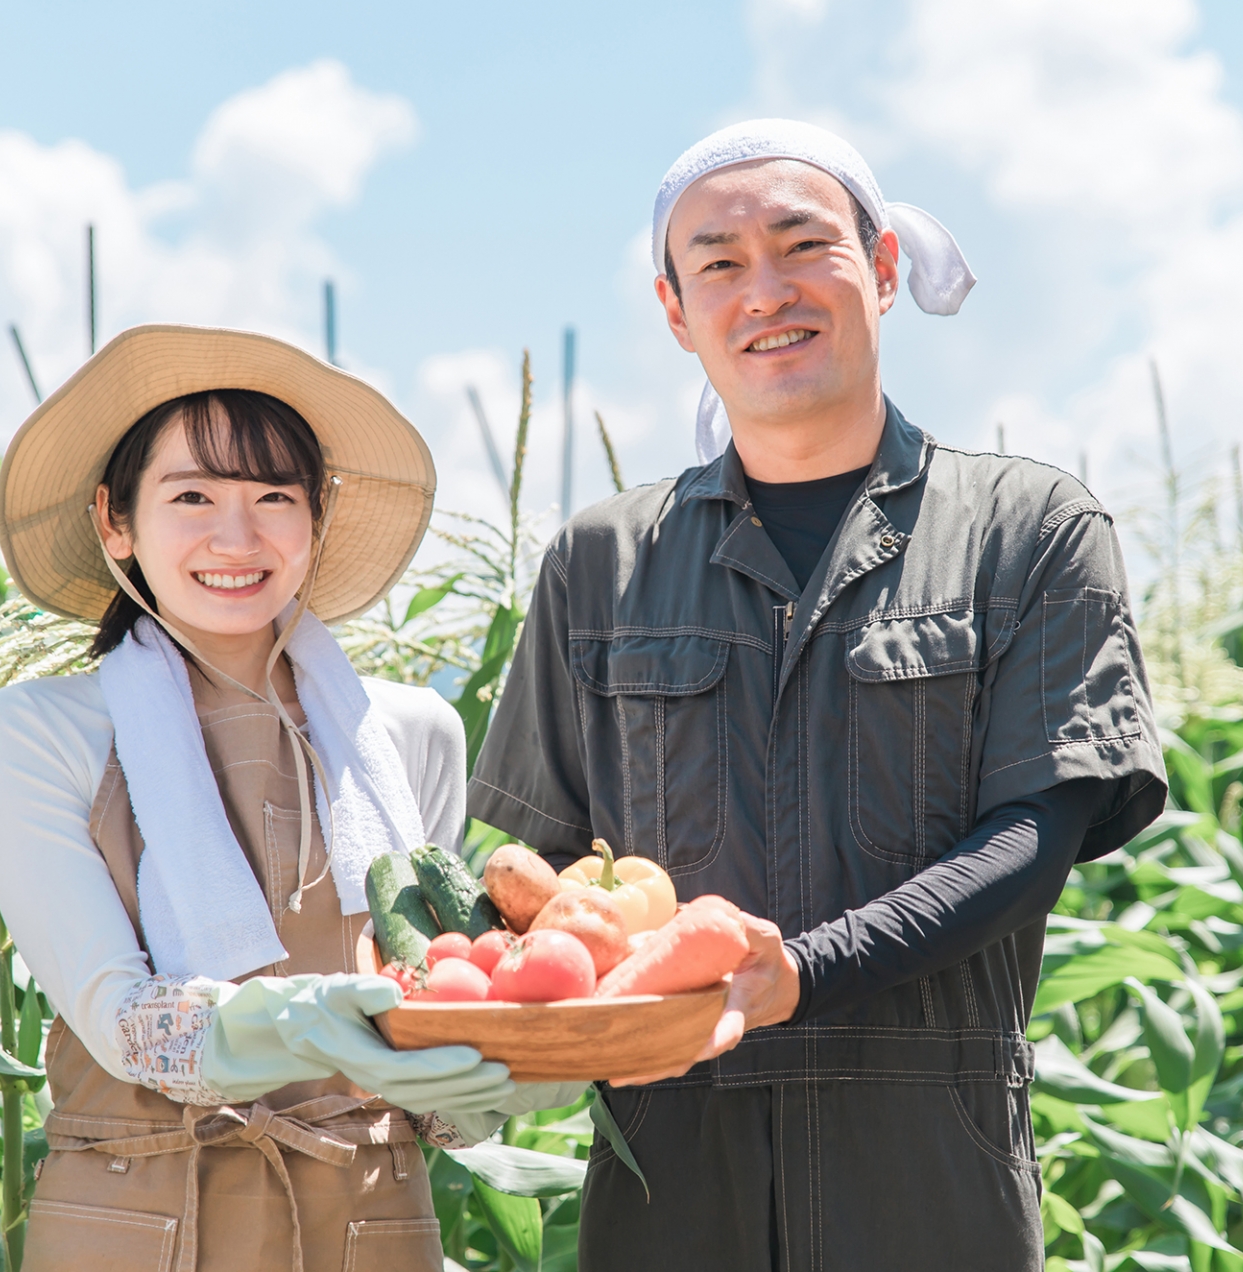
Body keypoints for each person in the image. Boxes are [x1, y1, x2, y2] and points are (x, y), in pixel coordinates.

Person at [468, 120, 1169, 1270]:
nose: (766, 290)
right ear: (674, 307)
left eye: (804, 246)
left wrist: (797, 972)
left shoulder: (1027, 530)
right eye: (721, 263)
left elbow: (1034, 833)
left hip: (931, 1170)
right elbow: (531, 885)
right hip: (667, 1173)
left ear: (883, 268)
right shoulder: (598, 563)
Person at [0, 324, 580, 1272]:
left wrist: (501, 1071)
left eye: (273, 498)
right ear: (114, 521)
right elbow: (126, 1024)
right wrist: (309, 1022)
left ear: (317, 518)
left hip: (370, 1224)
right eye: (192, 496)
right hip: (137, 1222)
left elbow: (430, 1007)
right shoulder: (40, 731)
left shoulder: (412, 733)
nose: (236, 535)